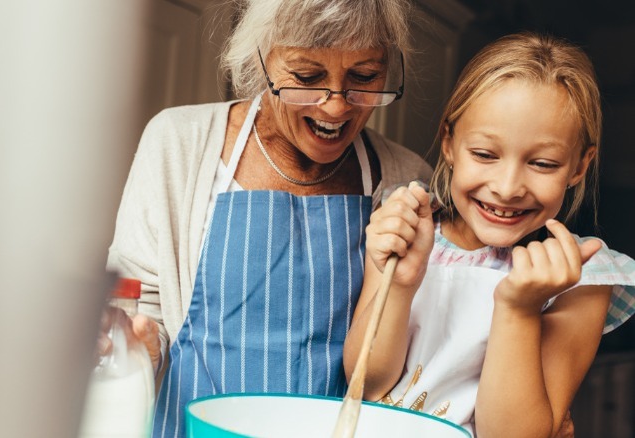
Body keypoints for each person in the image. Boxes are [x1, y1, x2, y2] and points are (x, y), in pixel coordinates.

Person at [106, 0, 434, 436]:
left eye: (364, 77)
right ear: (261, 58)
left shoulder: (407, 181)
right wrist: (140, 347)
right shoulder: (178, 143)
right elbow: (140, 313)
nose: (336, 107)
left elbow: (409, 364)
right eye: (307, 77)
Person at [344, 31, 635, 437]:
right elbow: (368, 384)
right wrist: (401, 286)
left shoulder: (583, 277)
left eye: (544, 163)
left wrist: (519, 308)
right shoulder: (408, 223)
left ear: (580, 167)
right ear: (449, 142)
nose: (507, 186)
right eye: (484, 154)